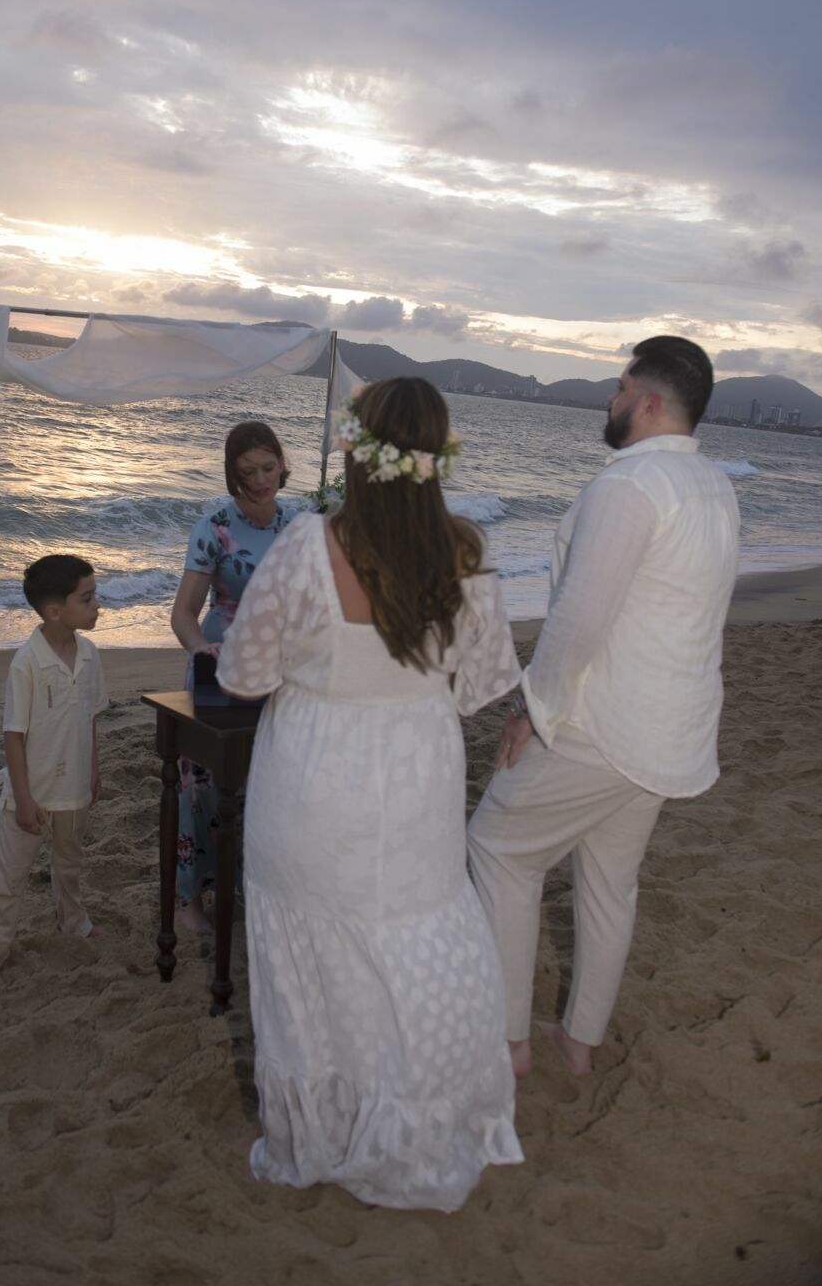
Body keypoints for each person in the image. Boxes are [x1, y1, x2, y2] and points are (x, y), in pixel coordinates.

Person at [218, 378, 523, 1212]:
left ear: (359, 449)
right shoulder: (466, 552)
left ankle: (320, 1135)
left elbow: (242, 676)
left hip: (312, 783)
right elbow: (480, 687)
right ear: (437, 456)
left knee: (313, 967)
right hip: (415, 781)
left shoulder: (307, 544)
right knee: (414, 943)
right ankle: (418, 1121)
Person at [467, 336, 740, 1080]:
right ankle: (580, 1042)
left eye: (620, 388)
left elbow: (580, 618)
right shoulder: (713, 485)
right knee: (610, 882)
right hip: (670, 730)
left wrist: (531, 705)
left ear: (648, 402)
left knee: (498, 848)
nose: (610, 400)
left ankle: (508, 1044)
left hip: (603, 723)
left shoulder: (629, 486)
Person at [170, 421, 298, 932]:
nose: (261, 480)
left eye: (268, 468)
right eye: (248, 472)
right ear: (233, 473)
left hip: (281, 667)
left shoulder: (301, 523)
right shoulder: (215, 526)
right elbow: (182, 613)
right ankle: (190, 899)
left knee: (265, 781)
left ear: (282, 464)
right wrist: (202, 647)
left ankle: (248, 886)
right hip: (221, 663)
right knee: (201, 785)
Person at [0, 554, 108, 971]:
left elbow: (89, 720)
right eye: (87, 598)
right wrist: (24, 798)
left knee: (69, 866)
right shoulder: (27, 663)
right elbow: (13, 736)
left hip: (75, 788)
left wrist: (94, 771)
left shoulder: (90, 656)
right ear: (54, 610)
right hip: (32, 795)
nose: (97, 605)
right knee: (7, 879)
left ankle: (74, 922)